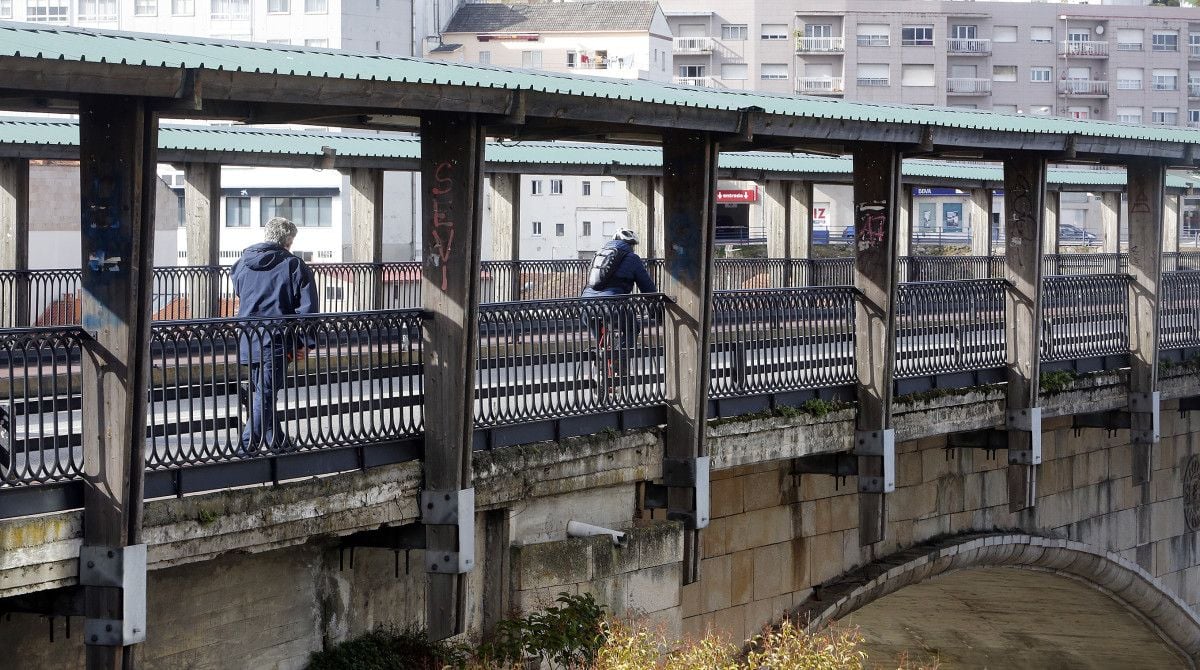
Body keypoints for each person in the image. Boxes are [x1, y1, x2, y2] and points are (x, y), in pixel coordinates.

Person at [232, 217, 319, 455]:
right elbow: (307, 308)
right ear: (288, 240)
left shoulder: (242, 263)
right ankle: (247, 445)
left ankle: (277, 440)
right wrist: (305, 343)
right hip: (278, 340)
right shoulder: (293, 265)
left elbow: (240, 292)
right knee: (266, 392)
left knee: (261, 391)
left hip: (249, 339)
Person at [580, 229, 656, 379]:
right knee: (632, 329)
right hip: (612, 306)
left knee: (598, 329)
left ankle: (601, 355)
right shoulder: (632, 258)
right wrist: (656, 311)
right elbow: (648, 289)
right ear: (630, 245)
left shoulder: (599, 255)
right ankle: (617, 360)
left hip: (586, 306)